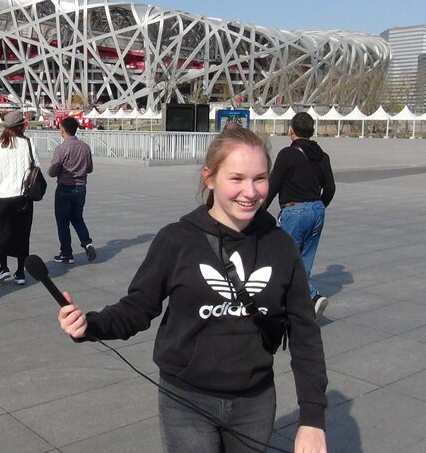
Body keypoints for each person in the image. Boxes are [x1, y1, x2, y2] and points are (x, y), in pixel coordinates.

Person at [58, 128, 328, 453]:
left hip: (254, 401)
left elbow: (305, 333)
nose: (250, 191)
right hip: (186, 400)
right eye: (237, 178)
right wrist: (90, 325)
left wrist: (312, 419)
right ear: (210, 178)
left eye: (259, 178)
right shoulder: (177, 240)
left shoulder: (280, 245)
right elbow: (138, 308)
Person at [266, 112, 335, 322]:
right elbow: (330, 188)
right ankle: (297, 306)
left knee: (285, 258)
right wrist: (318, 206)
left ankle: (312, 297)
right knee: (304, 259)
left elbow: (273, 185)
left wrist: (258, 213)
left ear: (291, 130)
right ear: (312, 131)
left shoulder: (287, 154)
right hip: (317, 209)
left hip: (294, 210)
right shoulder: (323, 156)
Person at [0, 110, 37, 285]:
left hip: (4, 197)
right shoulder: (28, 143)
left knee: (2, 233)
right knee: (22, 234)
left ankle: (3, 267)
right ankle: (20, 272)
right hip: (23, 197)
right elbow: (36, 167)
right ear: (21, 126)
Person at [48, 116, 96, 264]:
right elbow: (90, 169)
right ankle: (87, 243)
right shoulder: (85, 147)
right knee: (77, 218)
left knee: (63, 222)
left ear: (62, 130)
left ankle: (66, 254)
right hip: (81, 188)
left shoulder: (61, 148)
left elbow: (52, 172)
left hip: (65, 188)